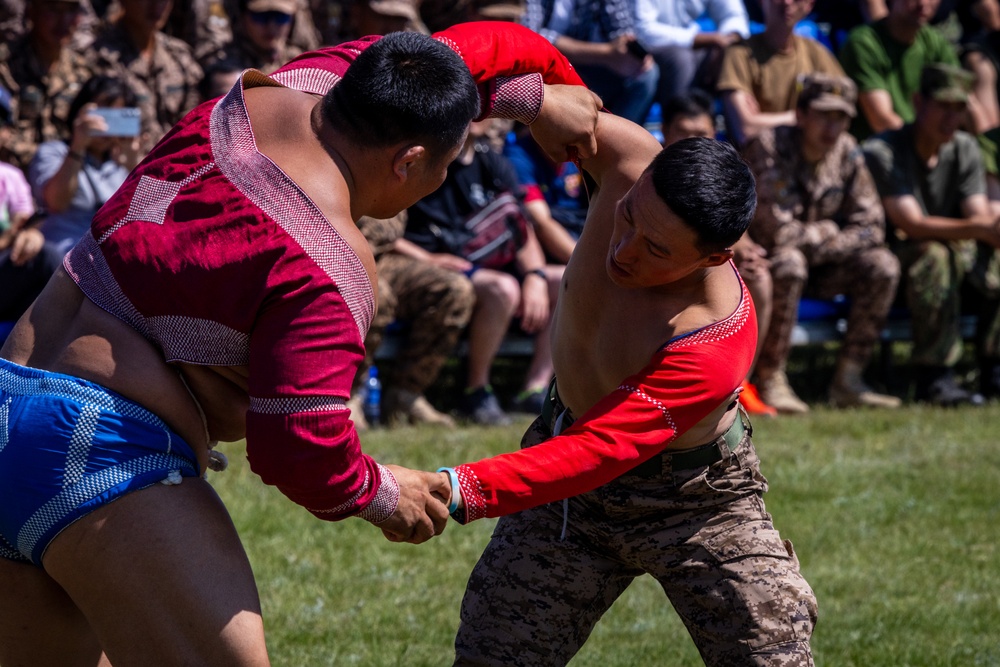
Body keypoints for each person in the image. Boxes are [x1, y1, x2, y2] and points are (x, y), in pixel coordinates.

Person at [0, 23, 604, 664]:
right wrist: (379, 492)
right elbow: (298, 445)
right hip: (101, 456)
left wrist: (534, 98)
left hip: (11, 396)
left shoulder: (273, 89)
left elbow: (456, 53)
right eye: (445, 163)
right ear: (409, 161)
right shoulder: (327, 262)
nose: (442, 175)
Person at [435, 105, 816, 666]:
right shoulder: (625, 158)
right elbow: (529, 65)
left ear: (714, 257)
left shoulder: (712, 337)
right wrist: (518, 96)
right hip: (568, 486)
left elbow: (602, 448)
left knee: (772, 658)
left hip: (696, 501)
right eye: (628, 215)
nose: (623, 249)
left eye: (657, 250)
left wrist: (454, 486)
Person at [743, 73, 902, 412]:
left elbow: (872, 226)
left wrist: (823, 238)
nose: (832, 128)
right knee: (789, 261)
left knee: (882, 265)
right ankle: (771, 378)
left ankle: (849, 379)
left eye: (841, 118)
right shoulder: (769, 147)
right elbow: (778, 234)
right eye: (823, 116)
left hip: (828, 267)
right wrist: (829, 229)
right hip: (770, 269)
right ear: (800, 115)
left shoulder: (847, 152)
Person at [401, 117, 564, 423]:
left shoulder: (493, 162)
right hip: (438, 263)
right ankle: (476, 390)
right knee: (503, 288)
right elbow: (385, 227)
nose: (476, 116)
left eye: (483, 107)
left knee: (563, 280)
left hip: (491, 264)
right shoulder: (424, 160)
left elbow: (520, 227)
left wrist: (536, 276)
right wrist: (427, 258)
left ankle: (535, 390)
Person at [864, 63, 1000, 404]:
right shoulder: (884, 151)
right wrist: (981, 228)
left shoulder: (965, 148)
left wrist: (990, 228)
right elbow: (911, 223)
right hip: (891, 260)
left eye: (959, 109)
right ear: (918, 102)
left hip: (951, 247)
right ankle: (934, 376)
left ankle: (994, 367)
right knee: (934, 254)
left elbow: (977, 213)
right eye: (943, 106)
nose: (951, 118)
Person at [658, 90, 777, 416]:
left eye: (702, 133)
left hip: (709, 259)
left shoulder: (720, 170)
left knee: (760, 278)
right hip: (665, 265)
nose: (693, 140)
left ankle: (738, 387)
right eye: (684, 133)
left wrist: (749, 251)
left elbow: (734, 228)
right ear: (666, 132)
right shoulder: (652, 172)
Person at [349, 211, 475, 428]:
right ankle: (347, 397)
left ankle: (405, 394)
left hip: (382, 256)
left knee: (454, 290)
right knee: (374, 292)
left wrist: (426, 258)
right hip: (336, 251)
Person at [28, 75, 139, 256]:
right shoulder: (53, 152)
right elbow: (56, 203)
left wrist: (135, 166)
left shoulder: (124, 163)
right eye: (102, 114)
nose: (105, 125)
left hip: (111, 259)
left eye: (115, 117)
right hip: (62, 256)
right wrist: (78, 146)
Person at [716, 0, 845, 147]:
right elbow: (746, 128)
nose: (787, 2)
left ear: (809, 5)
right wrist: (804, 117)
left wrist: (763, 120)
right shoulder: (739, 53)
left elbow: (840, 114)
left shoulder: (818, 54)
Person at [89, 0, 204, 152]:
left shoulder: (179, 55)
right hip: (127, 167)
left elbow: (194, 120)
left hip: (178, 164)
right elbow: (103, 131)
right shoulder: (99, 57)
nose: (157, 5)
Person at [521, 0, 659, 124]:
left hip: (586, 66)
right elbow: (529, 36)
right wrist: (605, 54)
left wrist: (629, 51)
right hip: (540, 66)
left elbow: (621, 27)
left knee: (645, 74)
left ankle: (616, 142)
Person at [839, 0, 960, 140]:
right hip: (879, 151)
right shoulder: (864, 43)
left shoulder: (936, 43)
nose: (923, 3)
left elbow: (961, 102)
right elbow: (882, 120)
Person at [0, 0, 92, 170]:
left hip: (67, 181)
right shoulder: (5, 64)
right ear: (30, 11)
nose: (63, 20)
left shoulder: (84, 72)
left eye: (70, 10)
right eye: (53, 9)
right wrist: (45, 162)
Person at [0, 84, 60, 326]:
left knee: (45, 258)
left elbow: (27, 221)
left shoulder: (11, 177)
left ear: (6, 132)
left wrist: (30, 234)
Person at [633, 0, 750, 106]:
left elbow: (733, 15)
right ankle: (680, 123)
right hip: (648, 48)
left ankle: (731, 125)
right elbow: (644, 30)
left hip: (694, 45)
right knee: (681, 59)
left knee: (732, 54)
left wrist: (727, 42)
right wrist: (705, 39)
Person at [201, 0, 303, 79]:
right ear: (243, 17)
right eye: (261, 16)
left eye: (281, 17)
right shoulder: (224, 67)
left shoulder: (301, 63)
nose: (271, 26)